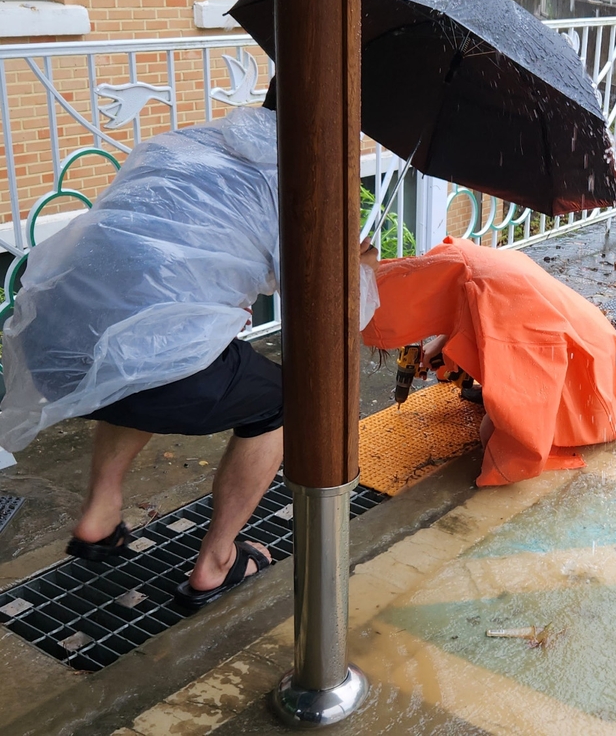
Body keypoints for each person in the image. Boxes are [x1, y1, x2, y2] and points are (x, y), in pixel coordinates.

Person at [0, 85, 378, 607]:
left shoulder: (184, 141)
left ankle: (100, 513)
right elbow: (331, 311)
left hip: (51, 337)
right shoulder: (303, 178)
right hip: (141, 356)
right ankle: (218, 560)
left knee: (140, 358)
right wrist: (359, 266)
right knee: (286, 404)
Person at [361, 236, 616, 487]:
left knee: (495, 433)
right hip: (589, 333)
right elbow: (463, 304)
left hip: (586, 366)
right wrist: (441, 343)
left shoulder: (498, 306)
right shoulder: (458, 260)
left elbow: (526, 390)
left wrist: (501, 437)